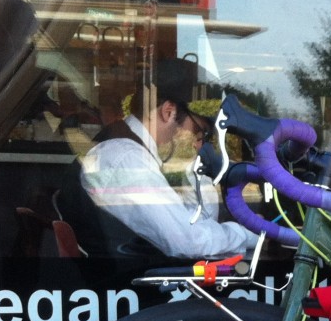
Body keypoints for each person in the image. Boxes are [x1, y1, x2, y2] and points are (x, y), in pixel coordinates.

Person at [79, 58, 255, 259]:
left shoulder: (133, 152)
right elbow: (189, 242)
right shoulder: (126, 159)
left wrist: (196, 170)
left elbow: (197, 221)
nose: (200, 144)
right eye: (200, 131)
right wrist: (249, 234)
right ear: (169, 112)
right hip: (122, 284)